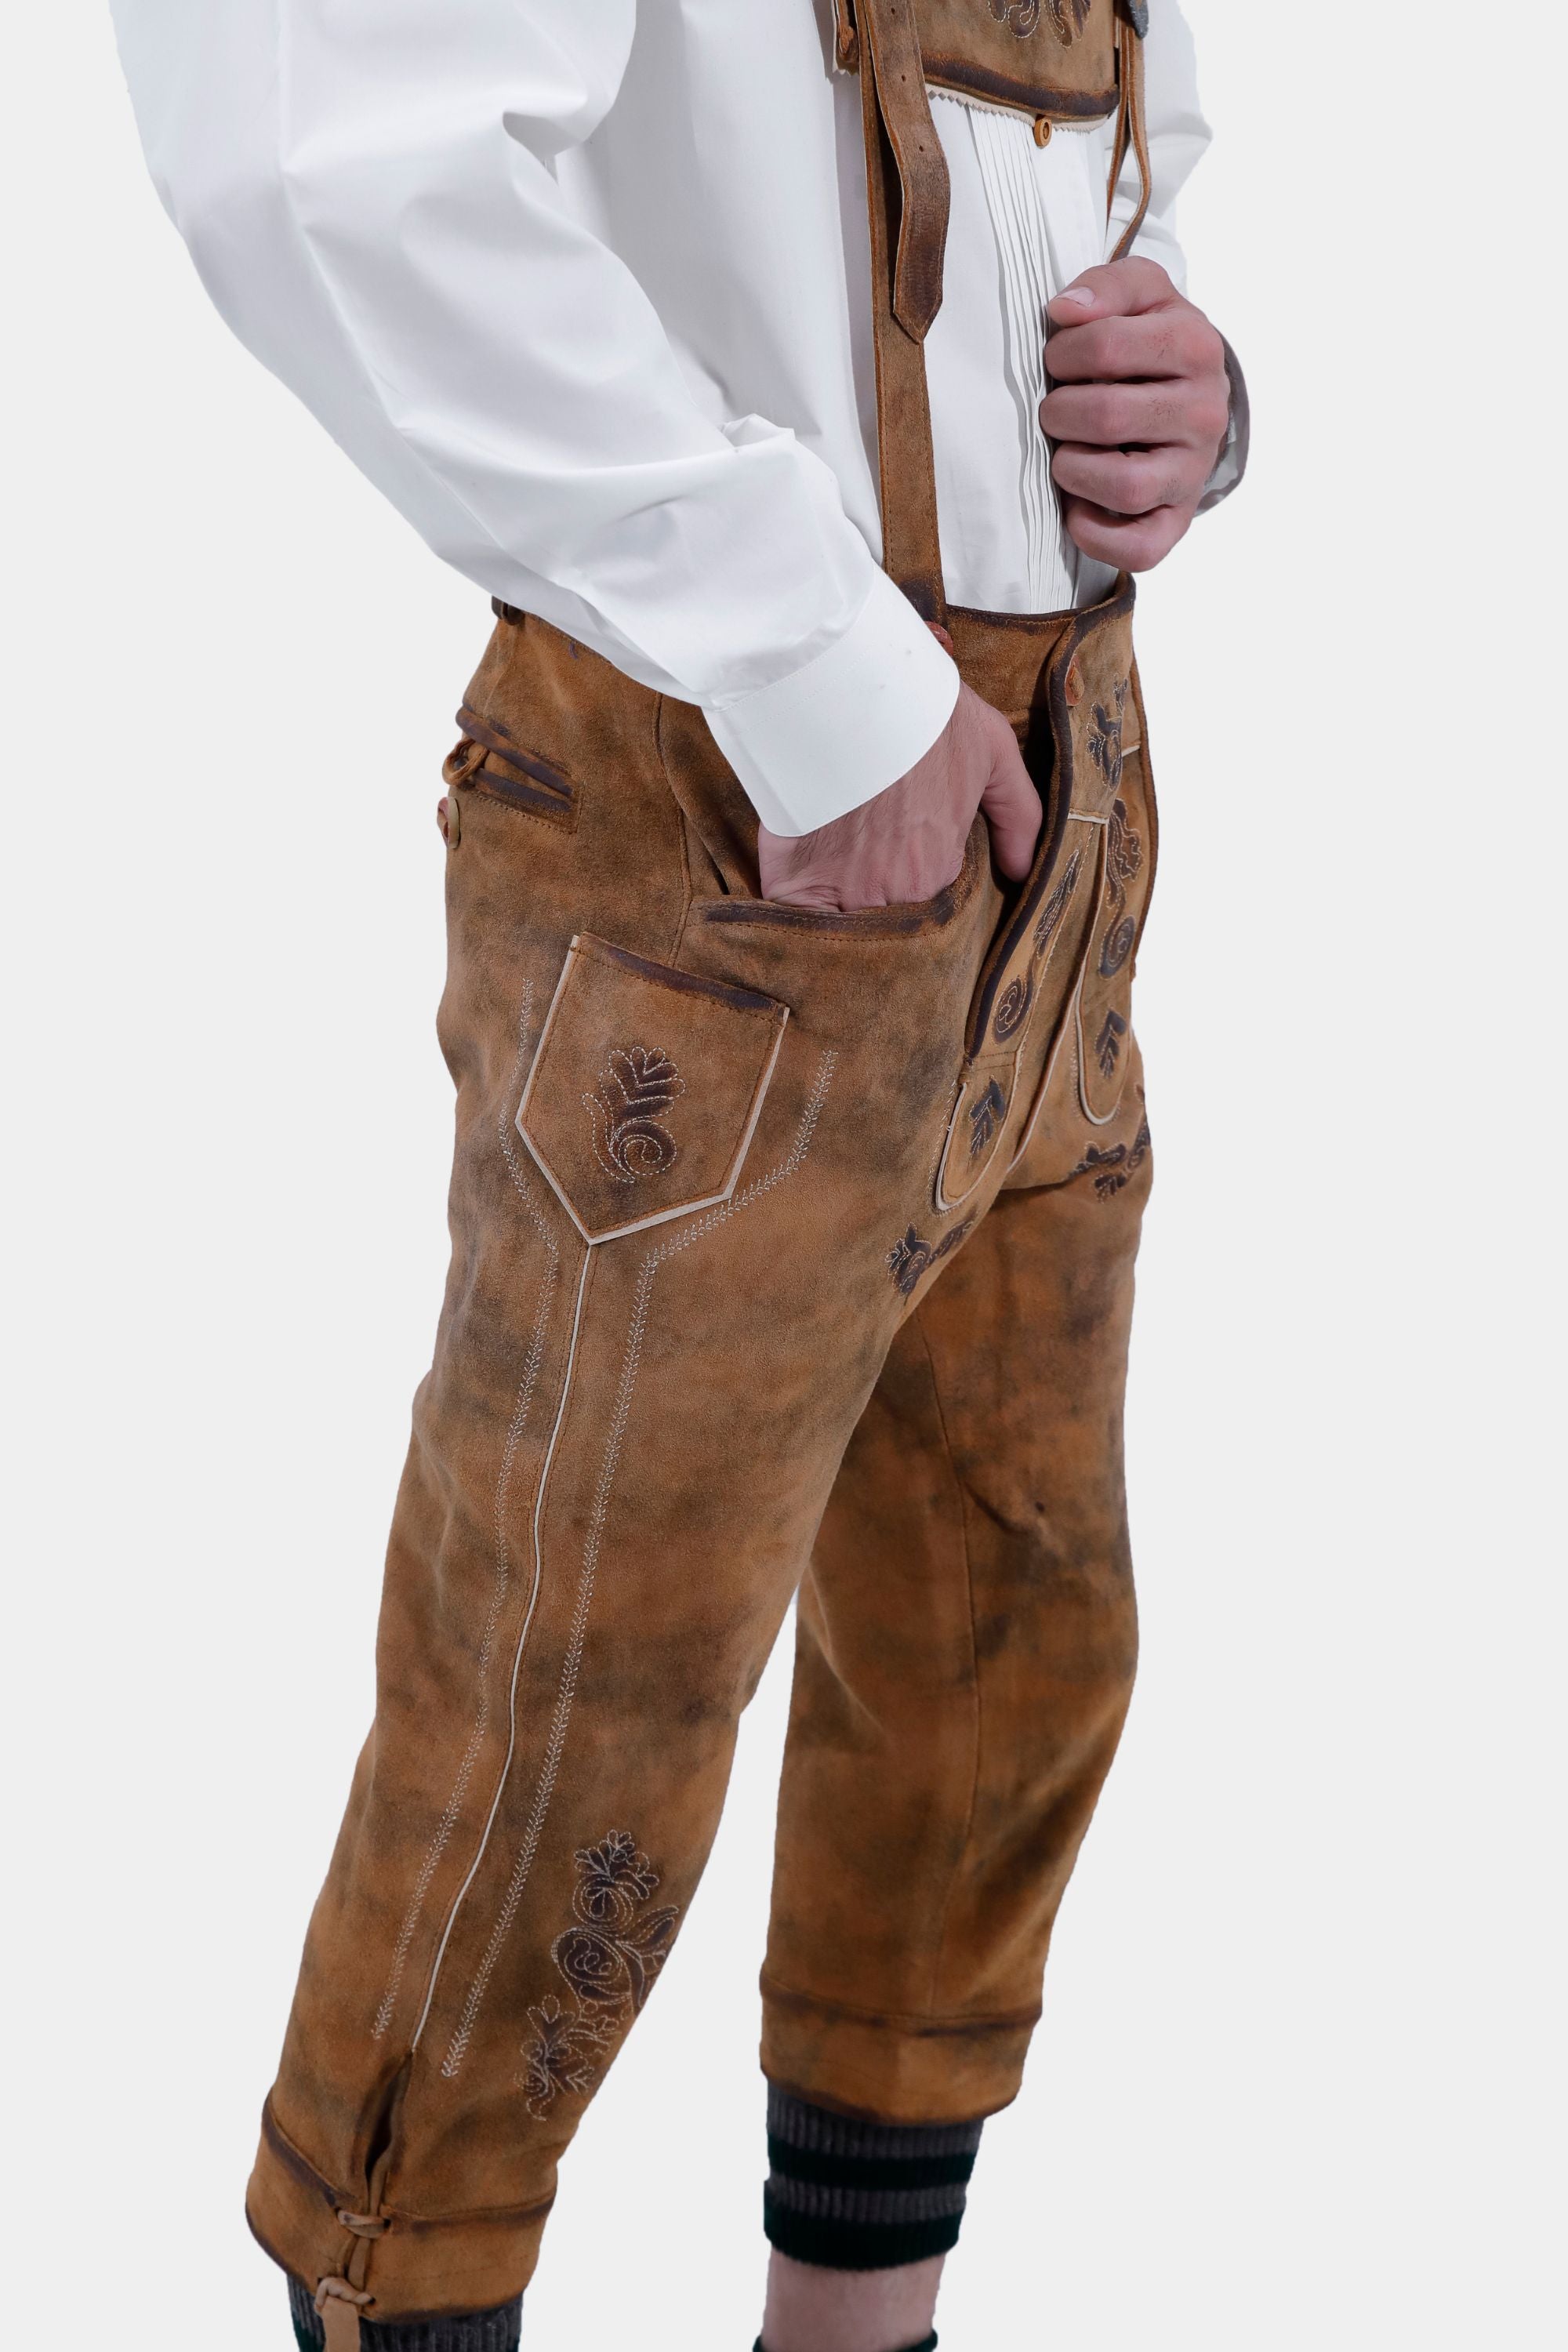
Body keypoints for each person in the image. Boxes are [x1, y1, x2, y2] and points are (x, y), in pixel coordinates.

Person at [111, 2, 1246, 2346]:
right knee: (568, 1723)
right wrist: (815, 662)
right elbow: (318, 163)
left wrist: (1204, 395)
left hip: (1055, 794)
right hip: (732, 825)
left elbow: (1127, 149)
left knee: (1003, 1646)